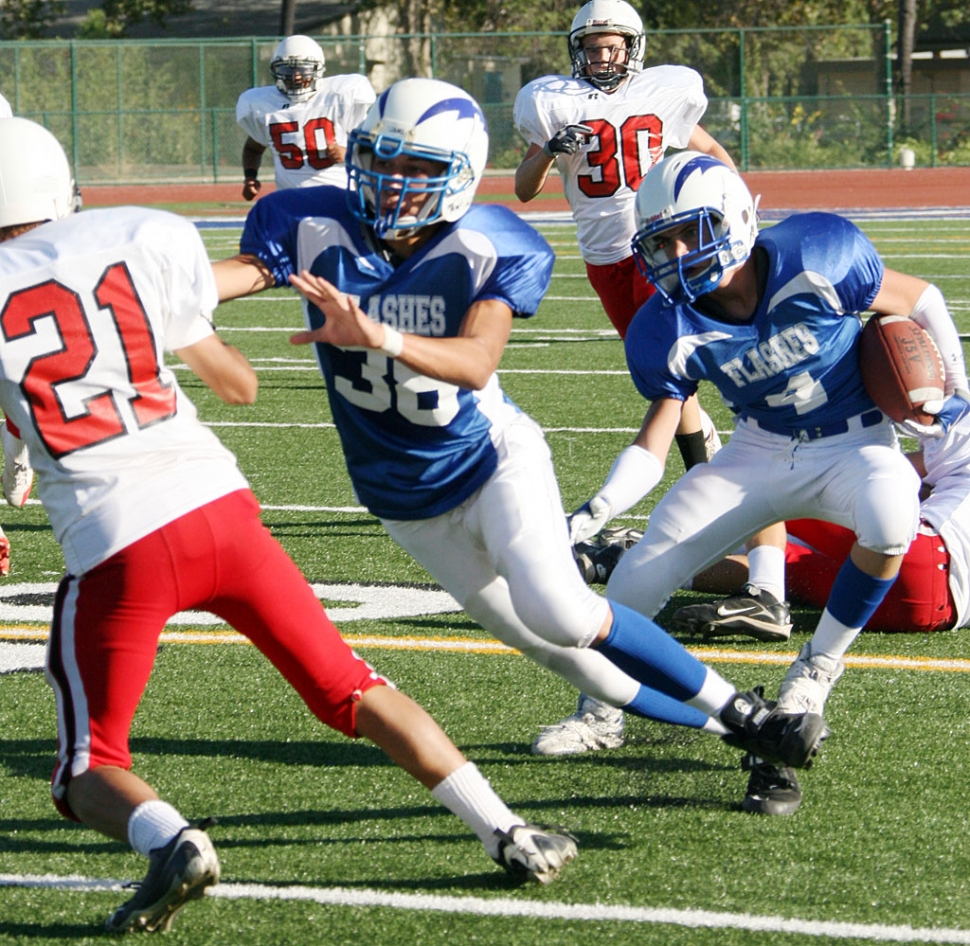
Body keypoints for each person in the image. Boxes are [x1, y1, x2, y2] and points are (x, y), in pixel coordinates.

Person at [0, 117, 584, 933]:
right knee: (350, 687)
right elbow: (219, 371)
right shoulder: (130, 237)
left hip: (116, 542)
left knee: (88, 766)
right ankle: (504, 828)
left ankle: (173, 841)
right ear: (59, 190)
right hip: (221, 507)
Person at [214, 77, 828, 787]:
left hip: (490, 460)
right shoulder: (310, 220)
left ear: (460, 176)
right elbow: (239, 274)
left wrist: (375, 332)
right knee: (559, 655)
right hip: (404, 498)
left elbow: (476, 364)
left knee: (563, 613)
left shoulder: (488, 241)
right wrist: (145, 289)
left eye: (415, 168)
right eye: (380, 159)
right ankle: (747, 726)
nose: (389, 181)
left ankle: (749, 719)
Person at [567, 149, 969, 814]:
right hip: (758, 449)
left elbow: (922, 298)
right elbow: (659, 435)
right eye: (660, 242)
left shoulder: (820, 254)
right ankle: (601, 713)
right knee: (636, 579)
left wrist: (948, 390)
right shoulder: (667, 326)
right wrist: (591, 513)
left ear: (735, 218)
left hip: (853, 442)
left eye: (688, 233)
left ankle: (814, 672)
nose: (675, 254)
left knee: (895, 516)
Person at [676, 413, 970, 637]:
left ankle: (716, 469)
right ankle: (662, 562)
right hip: (927, 614)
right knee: (786, 567)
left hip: (920, 556)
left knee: (781, 490)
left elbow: (900, 474)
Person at [235, 34, 375, 201]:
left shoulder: (340, 96)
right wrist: (250, 176)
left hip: (341, 200)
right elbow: (253, 148)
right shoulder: (266, 106)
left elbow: (377, 147)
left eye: (303, 70)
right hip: (292, 202)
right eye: (287, 70)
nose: (296, 77)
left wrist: (349, 154)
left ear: (318, 69)